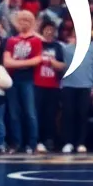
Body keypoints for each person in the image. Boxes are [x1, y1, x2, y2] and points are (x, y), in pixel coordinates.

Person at [2, 10, 43, 153]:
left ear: (31, 23)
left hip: (29, 80)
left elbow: (38, 60)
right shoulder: (11, 40)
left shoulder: (36, 40)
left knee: (30, 113)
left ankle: (32, 144)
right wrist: (26, 62)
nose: (24, 23)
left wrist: (17, 62)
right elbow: (6, 62)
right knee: (14, 113)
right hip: (13, 80)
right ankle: (16, 143)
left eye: (27, 20)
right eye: (21, 20)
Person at [60, 29, 93, 154]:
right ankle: (68, 142)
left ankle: (81, 143)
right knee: (68, 115)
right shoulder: (66, 49)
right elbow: (61, 65)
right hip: (68, 86)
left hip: (86, 87)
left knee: (83, 115)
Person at [34, 22, 65, 150]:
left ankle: (49, 139)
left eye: (51, 29)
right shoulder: (37, 44)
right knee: (37, 113)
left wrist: (51, 61)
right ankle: (37, 140)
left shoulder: (57, 46)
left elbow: (62, 65)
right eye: (47, 29)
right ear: (42, 31)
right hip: (37, 84)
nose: (49, 32)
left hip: (53, 85)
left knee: (51, 114)